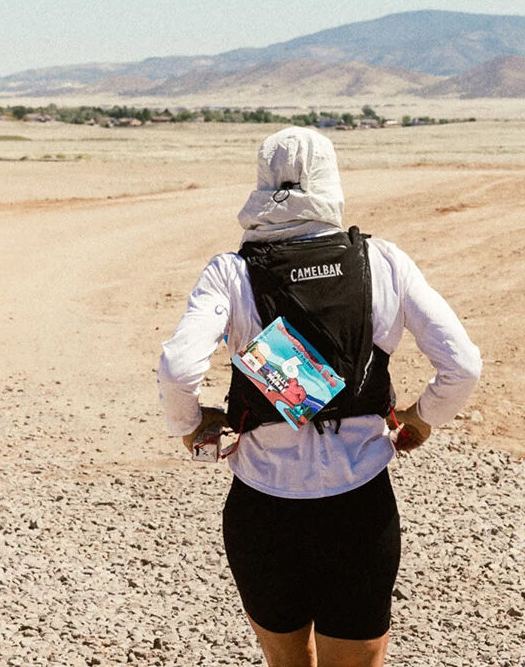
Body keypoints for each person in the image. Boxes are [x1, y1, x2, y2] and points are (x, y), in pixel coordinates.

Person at [157, 127, 482, 667]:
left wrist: (190, 426)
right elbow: (463, 364)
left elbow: (176, 367)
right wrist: (422, 418)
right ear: (332, 181)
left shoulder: (230, 273)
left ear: (261, 183)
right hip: (359, 507)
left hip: (263, 507)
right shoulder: (382, 262)